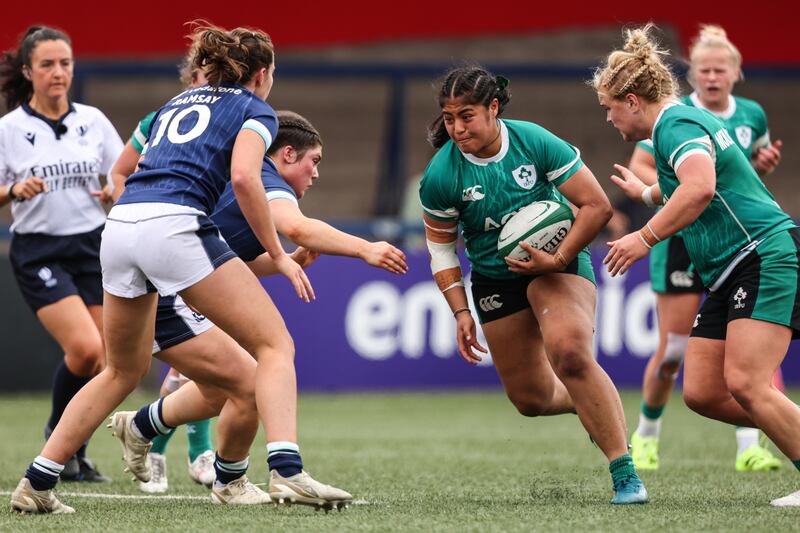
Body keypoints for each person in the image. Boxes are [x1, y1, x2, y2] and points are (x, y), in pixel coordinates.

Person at [9, 22, 321, 514]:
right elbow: (244, 177)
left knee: (121, 370)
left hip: (119, 228)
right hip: (173, 228)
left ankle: (37, 481)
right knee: (274, 345)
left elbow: (126, 169)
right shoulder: (254, 108)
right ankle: (285, 471)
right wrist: (278, 254)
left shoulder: (174, 104)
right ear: (262, 74)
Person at [112, 109, 405, 505]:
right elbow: (298, 226)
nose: (316, 174)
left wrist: (289, 260)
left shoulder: (246, 188)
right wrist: (366, 247)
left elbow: (235, 261)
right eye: (313, 161)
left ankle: (147, 429)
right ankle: (278, 471)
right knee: (265, 361)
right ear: (285, 155)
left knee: (235, 386)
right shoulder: (263, 175)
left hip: (172, 282)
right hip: (168, 292)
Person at [419, 66, 647, 504]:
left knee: (571, 355)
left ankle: (625, 474)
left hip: (558, 263)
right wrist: (461, 311)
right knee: (531, 399)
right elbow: (443, 252)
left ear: (493, 107)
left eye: (467, 115)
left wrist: (559, 258)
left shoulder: (534, 141)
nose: (457, 128)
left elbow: (596, 207)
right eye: (449, 118)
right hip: (494, 278)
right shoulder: (441, 176)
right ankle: (594, 401)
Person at [595, 24, 800, 507]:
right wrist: (646, 193)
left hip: (761, 252)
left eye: (607, 107)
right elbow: (696, 184)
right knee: (704, 393)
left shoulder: (676, 123)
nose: (607, 118)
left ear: (630, 100)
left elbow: (701, 187)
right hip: (730, 269)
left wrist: (644, 236)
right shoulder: (678, 123)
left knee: (748, 383)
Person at [0, 26, 123, 483]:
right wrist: (13, 189)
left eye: (65, 63)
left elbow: (124, 170)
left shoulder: (92, 120)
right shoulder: (10, 130)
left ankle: (72, 452)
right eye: (48, 64)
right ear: (28, 71)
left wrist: (115, 189)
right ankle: (59, 436)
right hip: (40, 251)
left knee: (109, 362)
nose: (58, 72)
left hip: (94, 246)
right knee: (86, 349)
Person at [107, 47, 217, 494]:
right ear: (190, 80)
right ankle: (190, 451)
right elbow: (119, 174)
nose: (208, 86)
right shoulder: (160, 120)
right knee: (211, 360)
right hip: (167, 247)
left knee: (207, 361)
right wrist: (133, 217)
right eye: (201, 77)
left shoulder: (229, 120)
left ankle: (161, 445)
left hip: (202, 242)